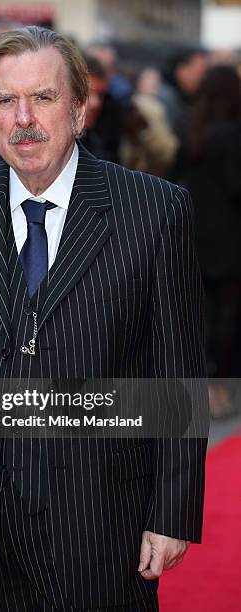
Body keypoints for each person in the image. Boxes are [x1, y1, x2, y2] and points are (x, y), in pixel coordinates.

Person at [0, 26, 207, 612]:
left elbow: (176, 375)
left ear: (80, 109)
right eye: (5, 101)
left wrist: (173, 511)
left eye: (43, 97)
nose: (23, 118)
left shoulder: (153, 211)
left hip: (102, 525)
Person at [175, 65, 241, 417]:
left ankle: (204, 387)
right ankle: (218, 389)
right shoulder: (230, 135)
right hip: (229, 240)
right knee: (225, 318)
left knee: (200, 316)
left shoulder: (191, 129)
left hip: (195, 234)